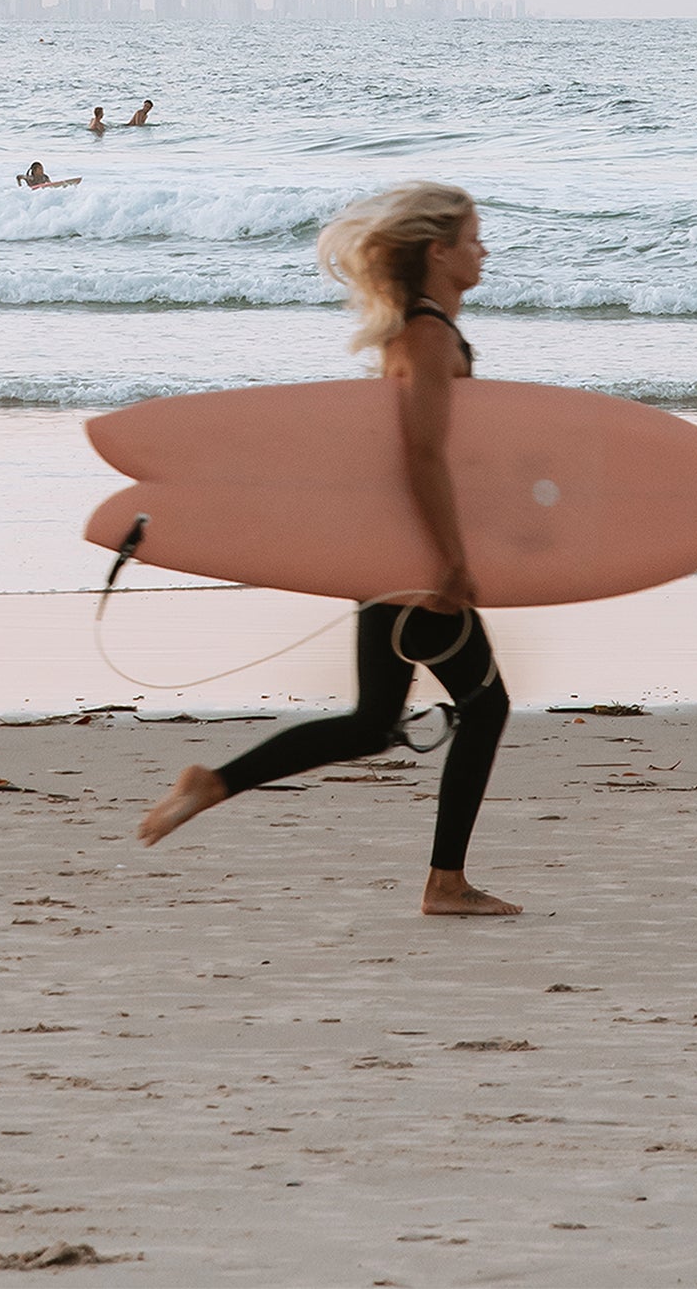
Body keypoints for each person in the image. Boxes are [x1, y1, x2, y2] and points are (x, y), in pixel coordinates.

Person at [138, 180, 518, 919]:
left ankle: (212, 783)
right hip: (412, 560)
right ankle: (446, 883)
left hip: (386, 557)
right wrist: (449, 559)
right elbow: (423, 457)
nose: (484, 249)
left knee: (374, 722)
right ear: (438, 251)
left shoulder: (418, 327)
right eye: (473, 237)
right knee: (485, 703)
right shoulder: (431, 334)